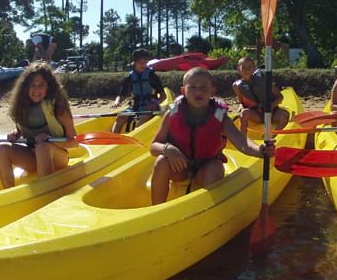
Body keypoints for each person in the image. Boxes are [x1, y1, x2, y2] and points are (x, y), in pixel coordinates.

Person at [150, 67, 275, 204]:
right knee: (161, 161)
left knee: (216, 167)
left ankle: (204, 209)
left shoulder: (220, 116)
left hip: (206, 166)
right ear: (183, 91)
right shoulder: (172, 114)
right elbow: (154, 146)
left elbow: (241, 141)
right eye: (192, 88)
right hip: (180, 168)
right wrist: (167, 149)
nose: (198, 92)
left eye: (204, 88)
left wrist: (260, 150)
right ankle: (156, 207)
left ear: (212, 91)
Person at [0, 62, 77, 188]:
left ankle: (45, 193)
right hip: (33, 156)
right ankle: (8, 193)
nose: (37, 90)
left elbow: (74, 143)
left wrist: (50, 140)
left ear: (48, 87)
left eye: (41, 85)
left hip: (57, 157)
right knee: (1, 148)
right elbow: (22, 128)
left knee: (42, 147)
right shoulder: (21, 106)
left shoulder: (58, 107)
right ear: (26, 87)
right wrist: (16, 133)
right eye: (32, 85)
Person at [111, 48, 166, 133]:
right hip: (136, 107)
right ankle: (113, 140)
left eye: (145, 63)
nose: (144, 65)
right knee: (120, 117)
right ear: (135, 62)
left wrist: (155, 103)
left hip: (150, 106)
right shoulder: (129, 78)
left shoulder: (152, 76)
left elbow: (163, 95)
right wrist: (116, 102)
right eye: (141, 63)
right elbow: (121, 95)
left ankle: (135, 134)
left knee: (145, 115)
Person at [231, 56, 290, 134]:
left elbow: (280, 97)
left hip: (272, 112)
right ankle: (243, 140)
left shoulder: (264, 81)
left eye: (249, 67)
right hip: (256, 114)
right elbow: (242, 102)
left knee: (284, 115)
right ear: (238, 69)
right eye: (243, 67)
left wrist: (270, 107)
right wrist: (241, 108)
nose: (247, 70)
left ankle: (273, 136)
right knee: (244, 113)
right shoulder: (237, 86)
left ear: (254, 68)